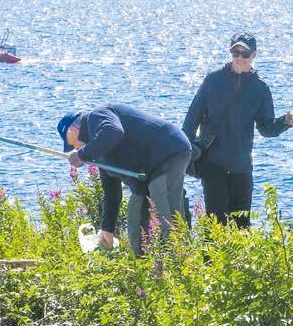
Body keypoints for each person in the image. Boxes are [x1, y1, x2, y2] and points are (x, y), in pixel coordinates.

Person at [183, 32, 293, 228]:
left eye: (244, 54)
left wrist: (286, 122)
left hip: (242, 167)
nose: (239, 58)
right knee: (215, 225)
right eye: (235, 52)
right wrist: (184, 154)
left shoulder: (260, 89)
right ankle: (209, 260)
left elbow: (266, 128)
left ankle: (240, 261)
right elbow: (191, 120)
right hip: (212, 164)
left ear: (253, 55)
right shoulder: (212, 80)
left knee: (242, 225)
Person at [57, 104, 192, 253]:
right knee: (135, 217)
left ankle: (180, 264)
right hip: (145, 174)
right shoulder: (99, 150)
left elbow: (113, 131)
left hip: (167, 152)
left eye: (71, 144)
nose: (74, 148)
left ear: (71, 130)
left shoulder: (95, 116)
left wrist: (82, 155)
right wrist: (107, 229)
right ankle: (144, 268)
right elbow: (111, 192)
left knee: (167, 212)